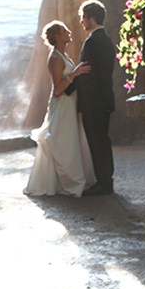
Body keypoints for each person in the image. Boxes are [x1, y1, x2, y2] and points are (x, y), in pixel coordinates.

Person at [24, 20, 96, 197]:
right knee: (63, 143)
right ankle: (71, 183)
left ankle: (71, 180)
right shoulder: (55, 58)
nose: (69, 32)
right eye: (65, 31)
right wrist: (75, 74)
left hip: (69, 103)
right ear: (57, 36)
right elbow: (57, 89)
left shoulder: (63, 55)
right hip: (62, 104)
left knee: (71, 141)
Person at [65, 0, 116, 196]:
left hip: (94, 102)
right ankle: (106, 180)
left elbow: (85, 73)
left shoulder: (92, 42)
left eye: (83, 18)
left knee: (97, 141)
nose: (81, 22)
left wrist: (66, 90)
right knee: (102, 140)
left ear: (92, 18)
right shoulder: (106, 40)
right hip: (104, 99)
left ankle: (104, 183)